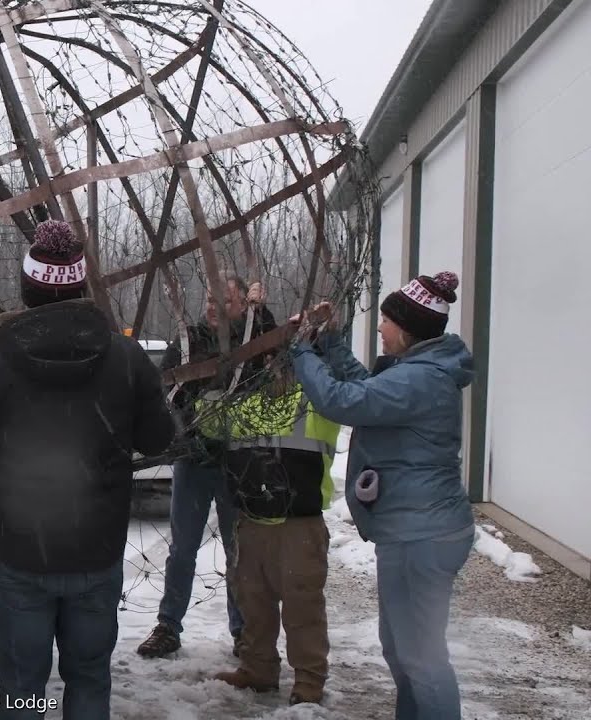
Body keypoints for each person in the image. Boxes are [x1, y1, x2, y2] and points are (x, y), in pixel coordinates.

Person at [0, 219, 175, 719]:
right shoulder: (126, 357)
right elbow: (158, 439)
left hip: (21, 554)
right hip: (96, 553)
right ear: (80, 286)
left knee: (21, 688)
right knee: (90, 679)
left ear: (27, 288)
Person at [288, 271, 475, 720]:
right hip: (413, 531)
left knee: (422, 658)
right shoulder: (416, 372)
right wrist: (329, 342)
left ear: (406, 328)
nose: (379, 328)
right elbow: (365, 387)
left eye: (386, 321)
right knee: (403, 651)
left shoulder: (420, 381)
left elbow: (342, 400)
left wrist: (301, 350)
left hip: (422, 535)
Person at [136, 276, 275, 659]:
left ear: (242, 306)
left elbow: (274, 349)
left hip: (238, 461)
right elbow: (166, 389)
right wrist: (189, 425)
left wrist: (261, 311)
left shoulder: (251, 334)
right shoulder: (188, 340)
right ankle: (168, 625)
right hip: (194, 461)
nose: (213, 306)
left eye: (224, 300)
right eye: (210, 298)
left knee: (238, 549)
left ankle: (242, 630)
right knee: (183, 548)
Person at [201, 356, 341, 706]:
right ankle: (258, 668)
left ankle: (308, 682)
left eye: (284, 366)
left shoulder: (317, 402)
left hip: (299, 525)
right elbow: (205, 419)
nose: (275, 373)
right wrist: (208, 371)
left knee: (302, 607)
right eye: (268, 365)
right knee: (254, 603)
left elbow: (342, 395)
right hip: (252, 522)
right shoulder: (243, 404)